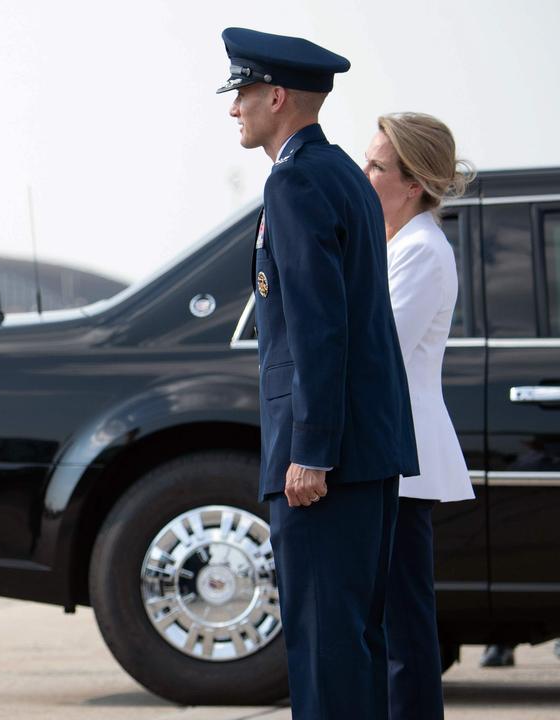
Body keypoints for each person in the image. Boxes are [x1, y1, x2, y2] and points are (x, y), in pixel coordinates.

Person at [217, 27, 419, 719]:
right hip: (367, 450)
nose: (234, 109)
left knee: (324, 643)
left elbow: (316, 329)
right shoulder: (343, 177)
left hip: (326, 464)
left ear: (276, 97)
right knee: (353, 641)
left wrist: (310, 450)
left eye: (242, 93)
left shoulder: (297, 181)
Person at [363, 112, 476, 718]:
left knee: (406, 625)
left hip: (403, 456)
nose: (364, 172)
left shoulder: (423, 251)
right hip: (387, 452)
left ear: (413, 184)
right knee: (387, 622)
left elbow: (379, 350)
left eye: (378, 165)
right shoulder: (394, 243)